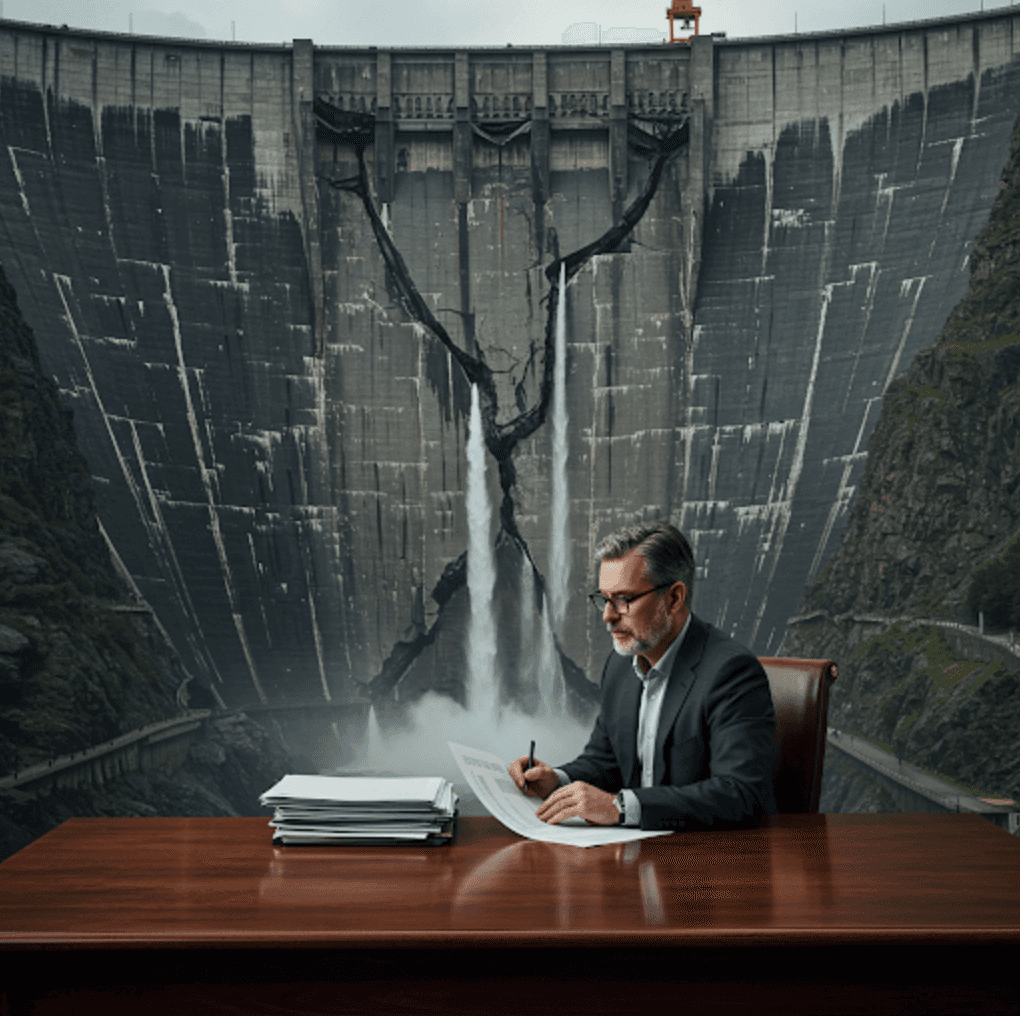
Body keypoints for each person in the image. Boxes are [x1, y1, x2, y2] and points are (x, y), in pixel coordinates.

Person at [509, 521, 777, 830]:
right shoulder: (620, 666)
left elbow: (741, 793)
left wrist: (620, 808)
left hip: (710, 862)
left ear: (674, 598)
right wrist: (557, 780)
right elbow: (605, 761)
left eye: (623, 599)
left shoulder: (732, 672)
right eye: (604, 599)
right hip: (636, 854)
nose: (608, 616)